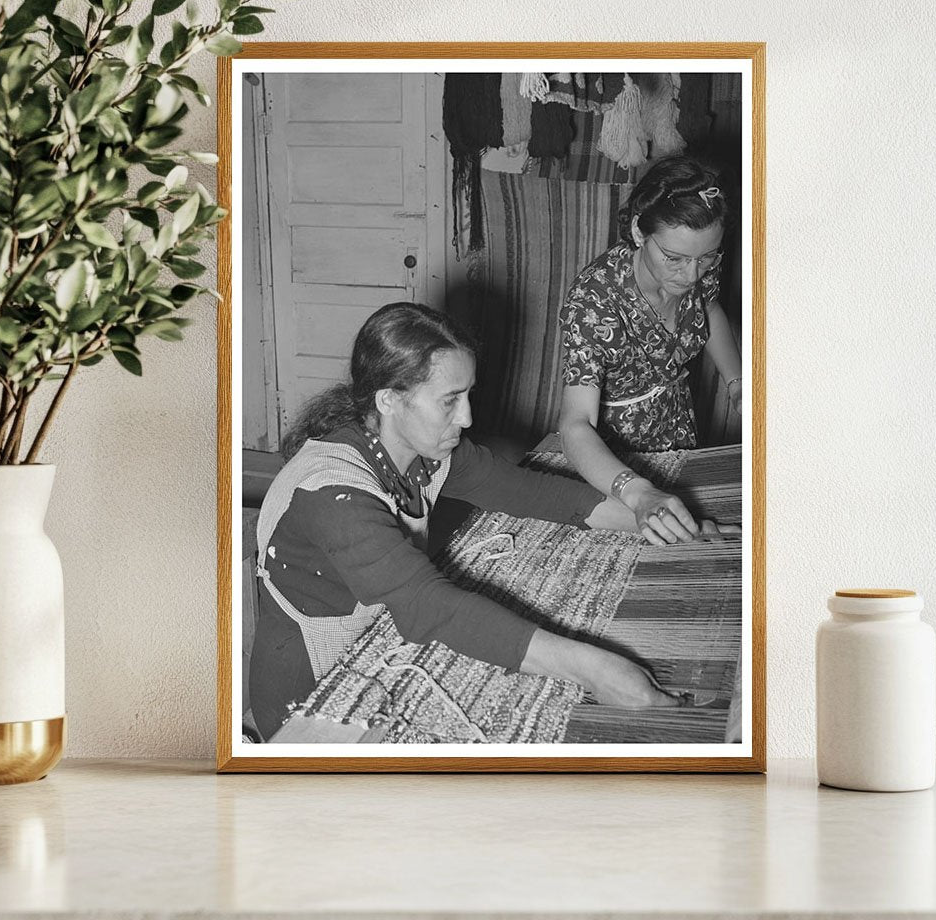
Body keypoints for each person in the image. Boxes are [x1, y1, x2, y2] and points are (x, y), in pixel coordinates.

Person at [249, 302, 692, 740]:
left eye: (467, 396)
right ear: (388, 399)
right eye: (449, 401)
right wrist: (595, 669)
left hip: (376, 640)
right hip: (313, 692)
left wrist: (650, 516)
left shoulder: (425, 450)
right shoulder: (331, 493)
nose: (467, 418)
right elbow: (428, 605)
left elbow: (533, 493)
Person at [558, 155, 743, 547]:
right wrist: (634, 490)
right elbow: (575, 425)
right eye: (673, 259)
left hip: (680, 431)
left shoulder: (698, 262)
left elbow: (707, 306)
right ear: (640, 232)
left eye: (706, 258)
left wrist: (736, 381)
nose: (691, 274)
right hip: (614, 461)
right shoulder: (593, 303)